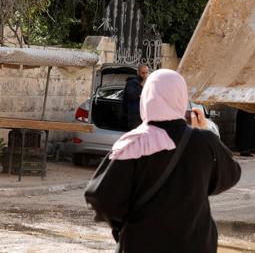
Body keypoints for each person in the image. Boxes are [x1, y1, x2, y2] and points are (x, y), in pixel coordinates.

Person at [85, 69, 241, 253]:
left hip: (143, 244)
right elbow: (231, 174)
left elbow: (102, 198)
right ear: (181, 96)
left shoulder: (135, 143)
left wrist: (122, 224)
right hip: (196, 244)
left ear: (147, 96)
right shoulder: (204, 141)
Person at [124, 65, 149, 130]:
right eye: (143, 73)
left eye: (146, 73)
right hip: (135, 116)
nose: (145, 75)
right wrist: (142, 84)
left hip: (146, 116)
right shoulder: (131, 82)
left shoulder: (149, 83)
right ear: (138, 72)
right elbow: (131, 96)